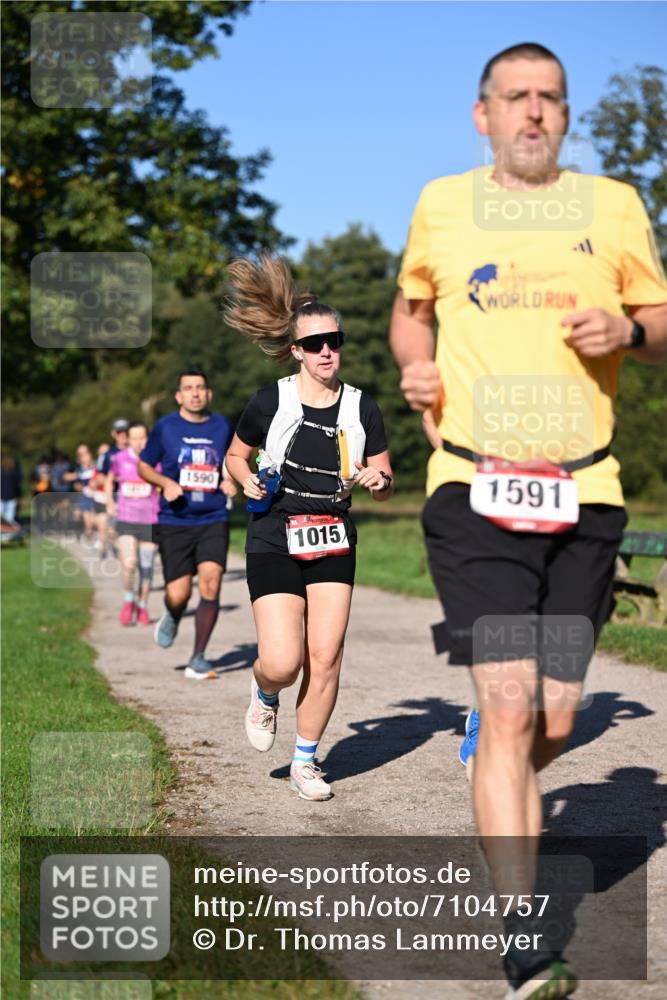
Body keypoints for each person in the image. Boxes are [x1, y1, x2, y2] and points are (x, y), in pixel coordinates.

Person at [389, 42, 666, 999]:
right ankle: (522, 938)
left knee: (550, 718)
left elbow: (662, 321)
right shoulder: (440, 204)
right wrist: (411, 364)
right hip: (471, 488)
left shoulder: (616, 207)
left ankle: (502, 748)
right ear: (484, 115)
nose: (535, 113)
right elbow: (409, 310)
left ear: (564, 115)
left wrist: (630, 332)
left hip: (585, 493)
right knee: (510, 713)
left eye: (550, 98)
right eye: (516, 98)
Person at [224, 254, 394, 802]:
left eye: (335, 341)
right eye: (316, 344)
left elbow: (387, 474)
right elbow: (235, 456)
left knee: (326, 656)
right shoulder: (270, 400)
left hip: (333, 533)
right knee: (283, 660)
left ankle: (306, 760)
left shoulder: (363, 408)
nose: (327, 352)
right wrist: (245, 479)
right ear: (296, 349)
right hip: (275, 530)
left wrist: (377, 479)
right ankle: (263, 689)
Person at [137, 369, 236, 679]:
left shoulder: (222, 426)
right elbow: (143, 465)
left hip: (212, 517)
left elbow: (236, 459)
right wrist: (165, 482)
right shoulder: (166, 426)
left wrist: (232, 479)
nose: (194, 393)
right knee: (179, 593)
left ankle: (198, 657)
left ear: (209, 394)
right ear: (179, 396)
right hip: (174, 520)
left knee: (211, 580)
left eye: (200, 388)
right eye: (188, 388)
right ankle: (173, 612)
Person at [106, 422, 160, 626]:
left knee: (146, 566)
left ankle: (143, 605)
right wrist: (110, 502)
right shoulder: (120, 458)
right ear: (128, 439)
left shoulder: (156, 459)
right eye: (135, 438)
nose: (139, 442)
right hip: (126, 519)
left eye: (143, 437)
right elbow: (110, 479)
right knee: (129, 564)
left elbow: (163, 482)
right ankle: (129, 600)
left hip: (151, 520)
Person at [1, 456, 23, 526]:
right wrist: (19, 497)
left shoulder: (14, 473)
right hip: (10, 497)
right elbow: (18, 487)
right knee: (9, 518)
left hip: (8, 497)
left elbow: (17, 487)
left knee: (7, 518)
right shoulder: (15, 473)